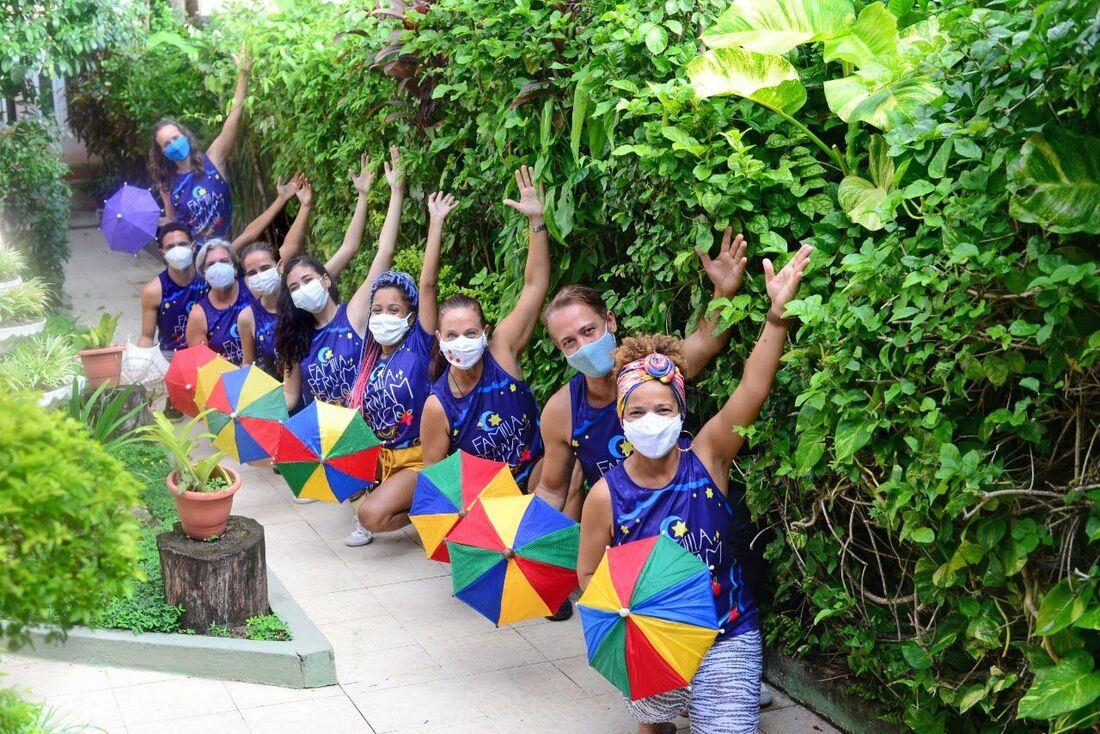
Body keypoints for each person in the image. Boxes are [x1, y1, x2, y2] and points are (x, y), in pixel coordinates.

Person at [576, 245, 811, 734]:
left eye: (664, 409)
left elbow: (752, 391)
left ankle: (713, 696)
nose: (651, 421)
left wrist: (777, 314)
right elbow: (587, 574)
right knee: (654, 721)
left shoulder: (707, 458)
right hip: (653, 635)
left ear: (681, 413)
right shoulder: (605, 495)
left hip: (728, 631)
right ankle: (658, 719)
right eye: (637, 412)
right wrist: (629, 621)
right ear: (621, 418)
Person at [534, 228, 748, 520]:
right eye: (569, 342)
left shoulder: (656, 368)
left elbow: (708, 340)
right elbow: (552, 489)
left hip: (689, 509)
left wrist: (724, 291)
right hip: (626, 534)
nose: (583, 346)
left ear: (609, 321)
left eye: (588, 331)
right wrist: (524, 536)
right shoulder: (562, 411)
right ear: (561, 349)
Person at [419, 165, 549, 492]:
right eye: (451, 335)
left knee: (569, 464)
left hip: (536, 480)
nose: (461, 342)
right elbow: (434, 472)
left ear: (485, 332)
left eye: (470, 333)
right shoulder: (438, 405)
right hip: (484, 500)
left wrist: (536, 222)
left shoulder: (502, 351)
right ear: (440, 339)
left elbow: (534, 287)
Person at [349, 191, 456, 542]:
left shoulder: (419, 345)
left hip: (416, 459)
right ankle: (407, 502)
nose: (383, 317)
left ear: (409, 316)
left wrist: (435, 222)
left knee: (370, 515)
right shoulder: (370, 361)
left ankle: (431, 509)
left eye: (393, 310)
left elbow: (427, 285)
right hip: (382, 458)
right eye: (377, 310)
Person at [138, 173, 307, 362]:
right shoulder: (165, 293)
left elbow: (250, 235)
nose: (218, 267)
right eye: (170, 247)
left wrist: (285, 199)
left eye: (183, 244)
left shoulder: (248, 283)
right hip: (183, 360)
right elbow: (149, 337)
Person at [183, 177, 311, 364]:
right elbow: (201, 367)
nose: (218, 267)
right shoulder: (199, 314)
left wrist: (294, 203)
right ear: (203, 272)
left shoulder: (254, 286)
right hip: (233, 383)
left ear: (235, 267)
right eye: (211, 264)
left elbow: (281, 246)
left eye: (224, 261)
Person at [148, 44, 251, 240]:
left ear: (185, 136)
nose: (174, 144)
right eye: (167, 144)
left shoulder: (214, 160)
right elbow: (173, 221)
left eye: (176, 138)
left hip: (225, 254)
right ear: (162, 152)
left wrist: (243, 75)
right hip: (194, 260)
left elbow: (234, 117)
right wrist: (158, 221)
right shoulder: (167, 183)